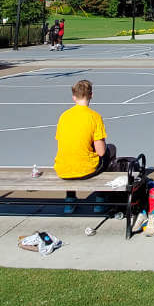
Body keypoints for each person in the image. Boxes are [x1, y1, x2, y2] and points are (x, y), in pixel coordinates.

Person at [53, 79, 118, 213]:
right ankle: (100, 200)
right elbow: (100, 152)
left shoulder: (64, 116)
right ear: (91, 95)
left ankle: (69, 201)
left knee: (72, 155)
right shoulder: (94, 117)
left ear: (74, 97)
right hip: (85, 169)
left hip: (62, 169)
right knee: (110, 150)